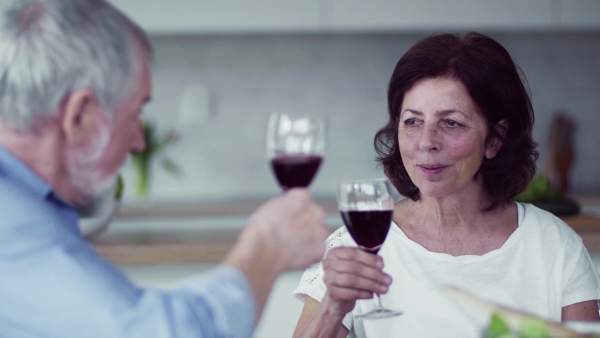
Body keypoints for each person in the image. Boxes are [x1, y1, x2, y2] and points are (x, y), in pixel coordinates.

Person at [0, 0, 330, 337]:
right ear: (79, 116)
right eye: (134, 115)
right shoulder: (17, 230)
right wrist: (267, 246)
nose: (138, 144)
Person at [292, 32, 600, 337]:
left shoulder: (555, 247)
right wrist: (334, 305)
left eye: (451, 123)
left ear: (495, 139)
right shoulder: (357, 244)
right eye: (412, 121)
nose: (427, 142)